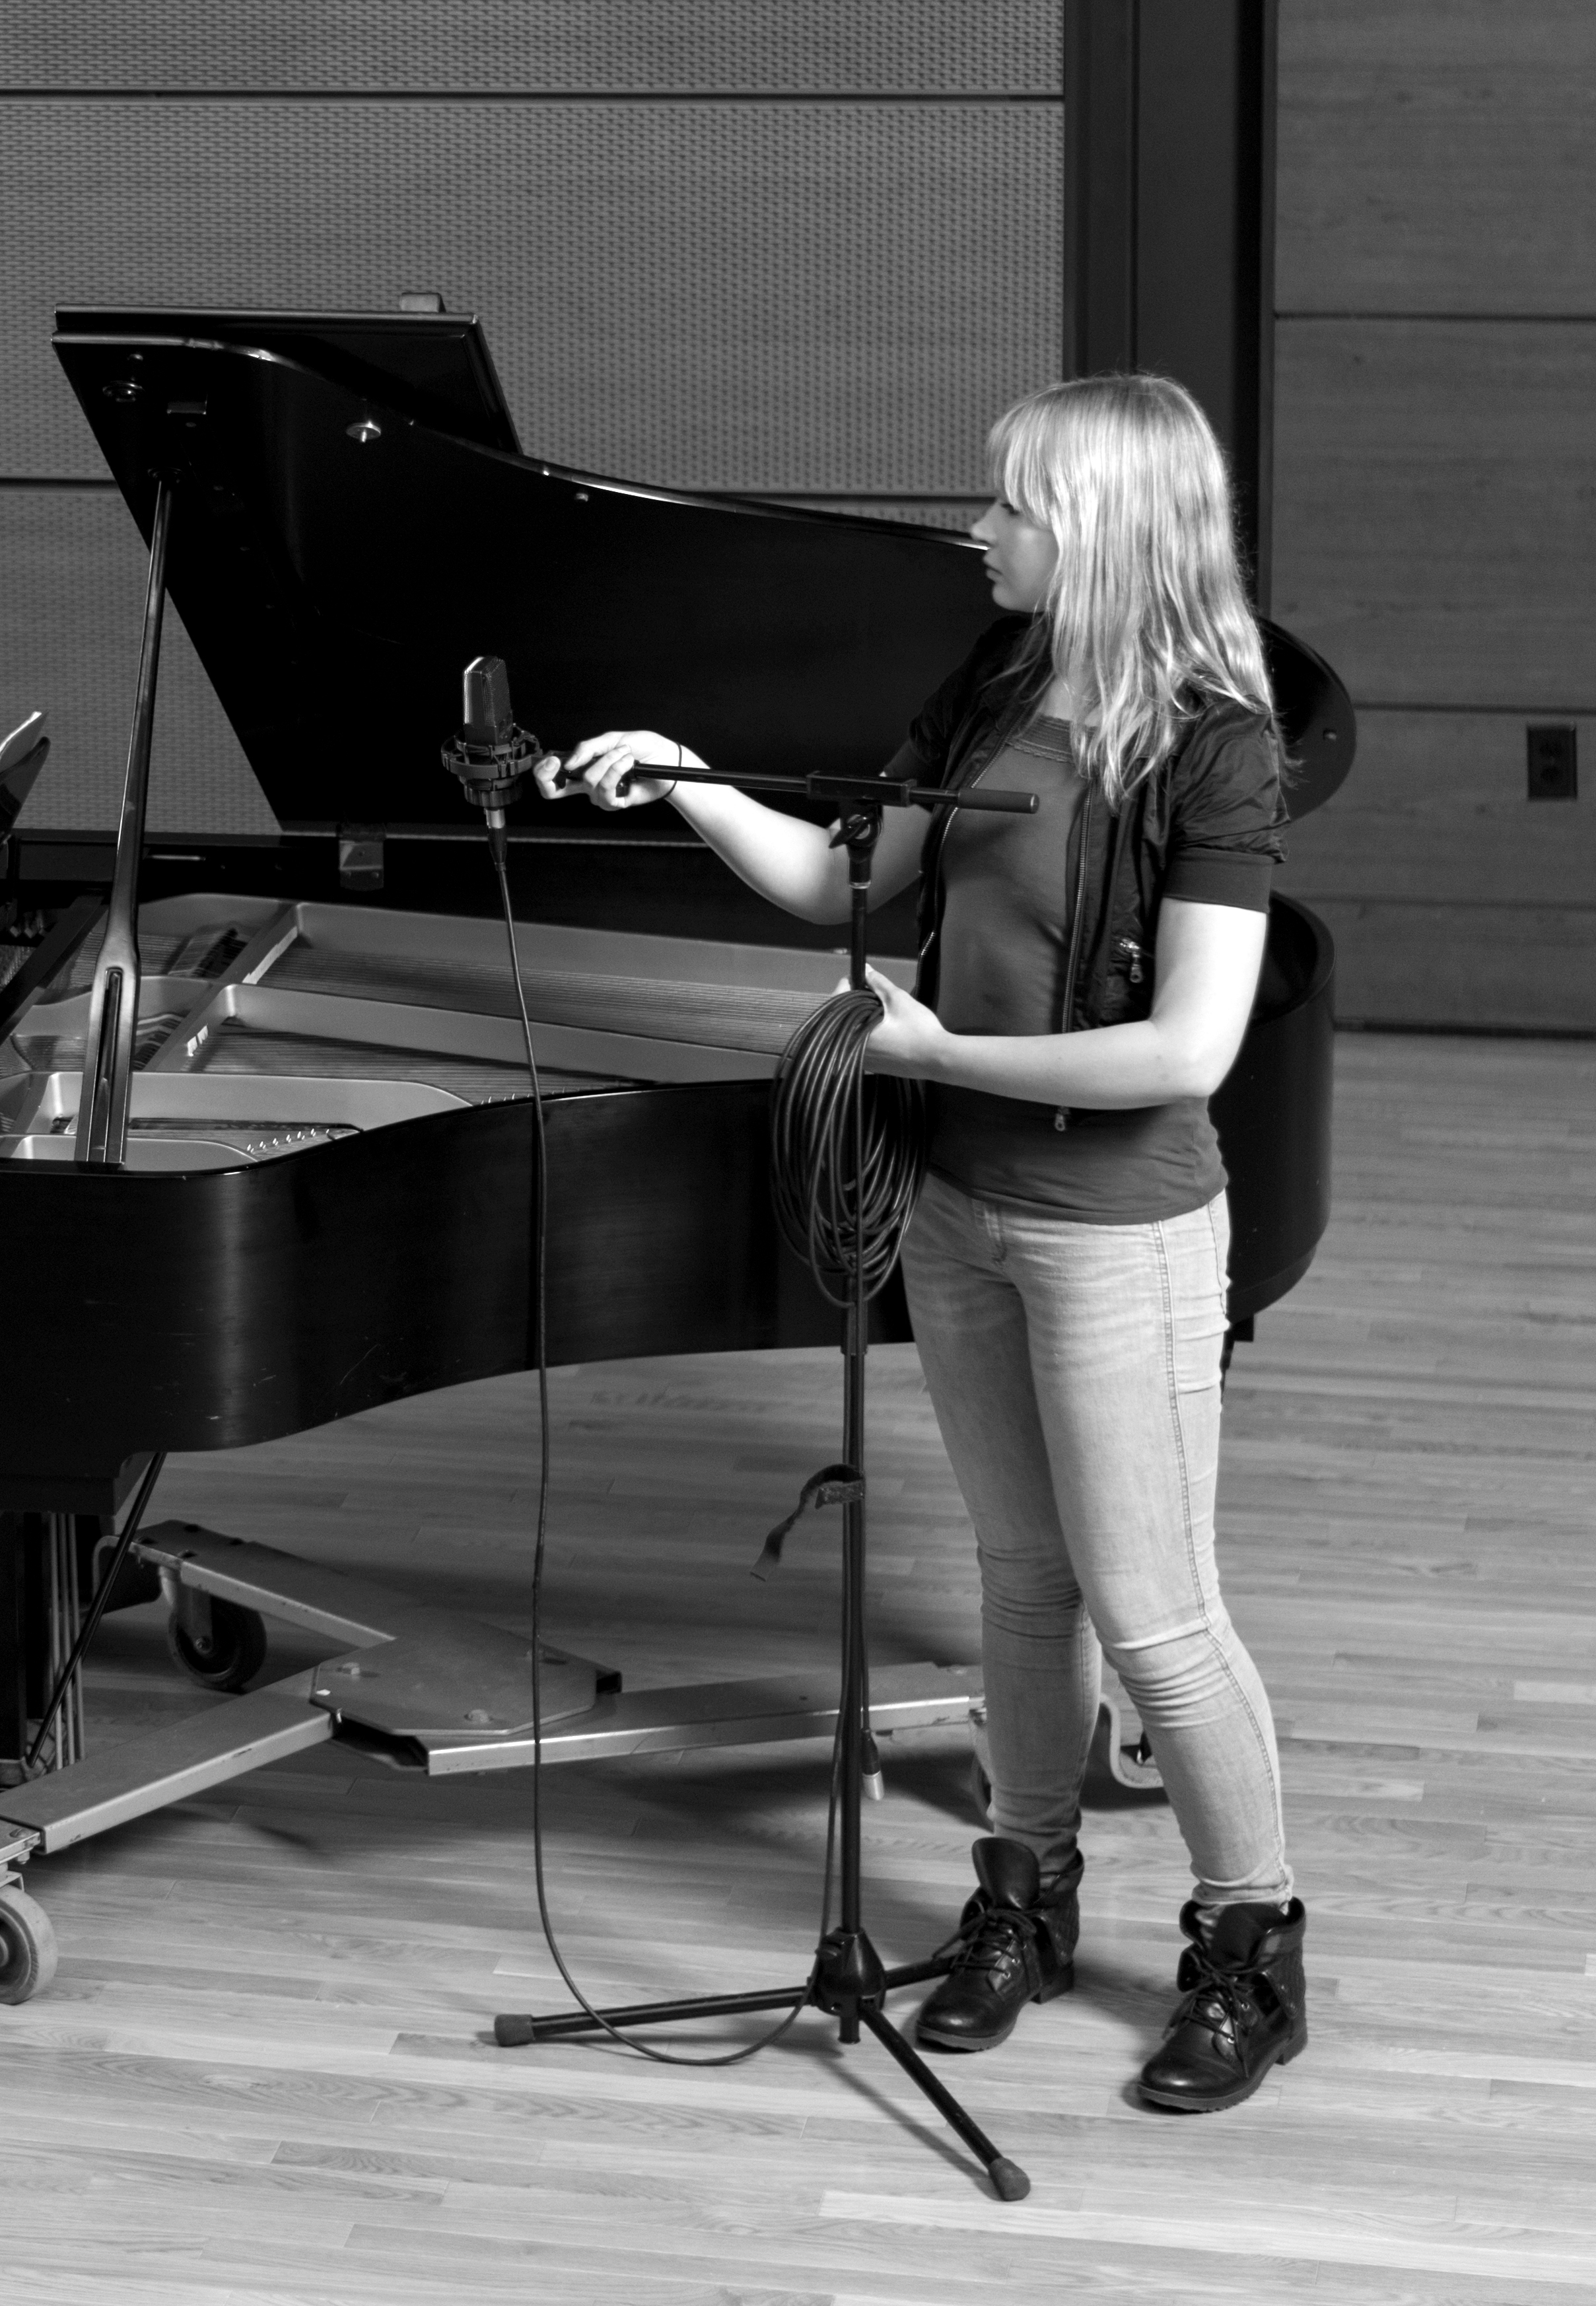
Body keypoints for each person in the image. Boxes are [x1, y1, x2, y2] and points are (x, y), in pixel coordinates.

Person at [548, 372, 1305, 2116]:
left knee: (1156, 1619)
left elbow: (1187, 1051)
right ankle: (1022, 1896)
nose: (978, 530)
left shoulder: (1214, 745)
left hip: (1117, 1227)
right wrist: (678, 776)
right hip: (958, 1214)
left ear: (1097, 526)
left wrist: (934, 1056)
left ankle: (1247, 1946)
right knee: (1020, 1585)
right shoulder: (996, 683)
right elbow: (844, 882)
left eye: (1011, 504)